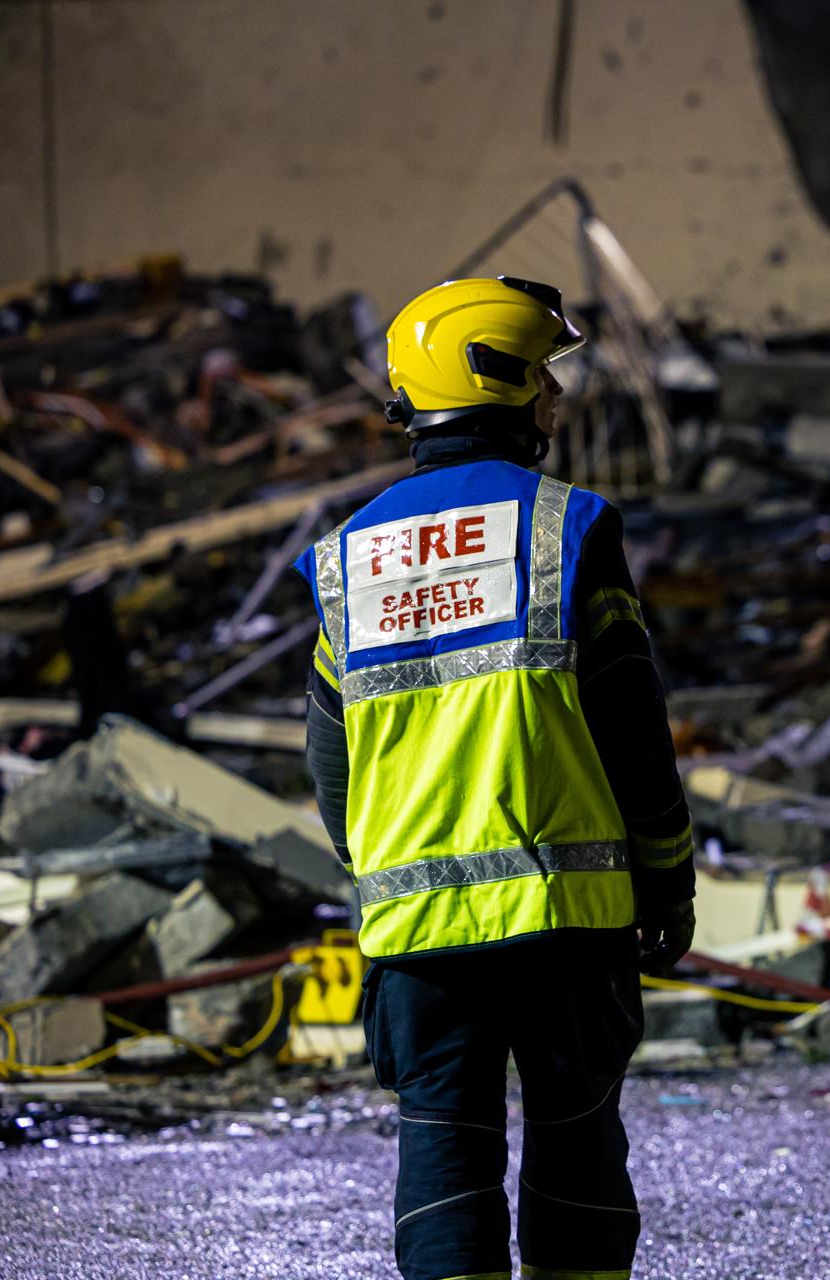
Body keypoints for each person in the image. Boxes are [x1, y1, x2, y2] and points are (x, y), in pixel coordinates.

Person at [295, 276, 696, 1280]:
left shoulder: (350, 557)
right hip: (564, 913)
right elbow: (631, 725)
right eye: (546, 380)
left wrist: (378, 856)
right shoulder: (566, 528)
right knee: (576, 1147)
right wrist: (669, 873)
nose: (556, 403)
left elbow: (329, 756)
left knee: (443, 1151)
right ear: (503, 382)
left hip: (419, 932)